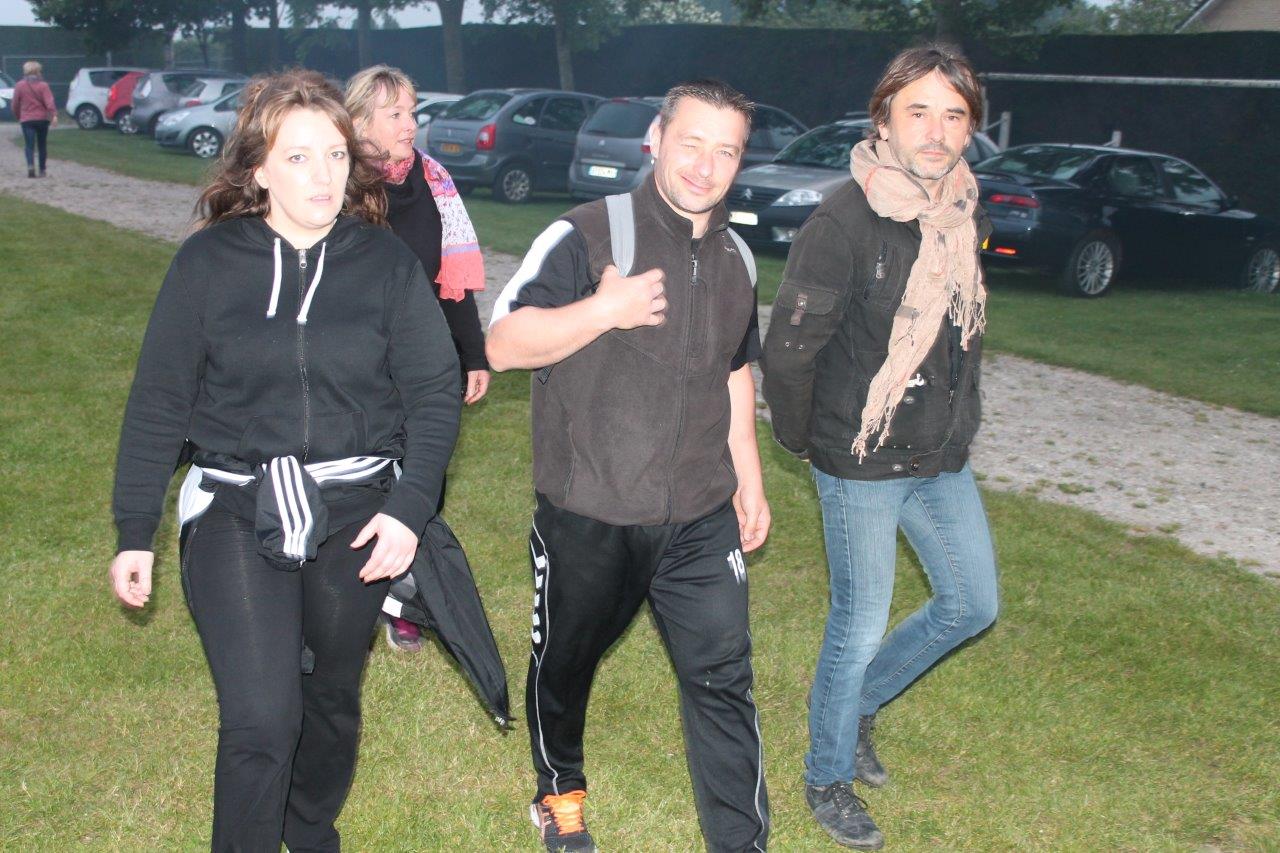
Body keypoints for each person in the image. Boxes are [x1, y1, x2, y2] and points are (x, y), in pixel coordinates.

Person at [109, 70, 462, 852]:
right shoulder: (208, 264)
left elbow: (435, 395)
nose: (322, 175)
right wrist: (136, 530)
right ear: (259, 169)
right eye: (298, 157)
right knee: (263, 715)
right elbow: (160, 401)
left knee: (328, 698)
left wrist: (407, 511)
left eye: (334, 155)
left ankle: (309, 830)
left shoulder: (384, 262)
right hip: (235, 504)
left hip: (357, 510)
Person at [487, 79, 771, 853]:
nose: (705, 166)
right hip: (592, 509)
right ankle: (559, 794)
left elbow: (733, 368)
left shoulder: (738, 257)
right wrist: (602, 311)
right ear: (656, 139)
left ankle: (741, 842)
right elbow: (503, 343)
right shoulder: (585, 233)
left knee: (723, 676)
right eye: (691, 143)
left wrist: (747, 474)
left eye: (726, 151)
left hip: (700, 513)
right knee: (565, 665)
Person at [761, 45, 999, 851]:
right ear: (883, 120)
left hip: (938, 453)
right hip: (860, 453)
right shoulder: (844, 220)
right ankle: (826, 774)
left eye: (953, 115)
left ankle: (859, 703)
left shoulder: (965, 211)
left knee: (971, 603)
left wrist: (961, 422)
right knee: (858, 621)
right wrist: (807, 441)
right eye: (917, 111)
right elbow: (790, 348)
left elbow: (961, 340)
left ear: (971, 127)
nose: (935, 132)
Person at [344, 64, 488, 654]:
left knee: (424, 474)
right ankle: (351, 593)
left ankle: (405, 597)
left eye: (413, 112)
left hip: (424, 357)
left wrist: (473, 354)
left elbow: (453, 279)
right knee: (361, 479)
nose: (411, 124)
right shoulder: (339, 185)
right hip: (356, 361)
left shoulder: (434, 181)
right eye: (395, 114)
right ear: (359, 122)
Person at [12, 60, 57, 178]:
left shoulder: (19, 85)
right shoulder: (43, 86)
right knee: (42, 145)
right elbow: (49, 102)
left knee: (29, 145)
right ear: (38, 71)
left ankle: (30, 166)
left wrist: (18, 116)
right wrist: (54, 115)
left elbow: (15, 103)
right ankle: (42, 170)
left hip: (27, 119)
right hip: (42, 119)